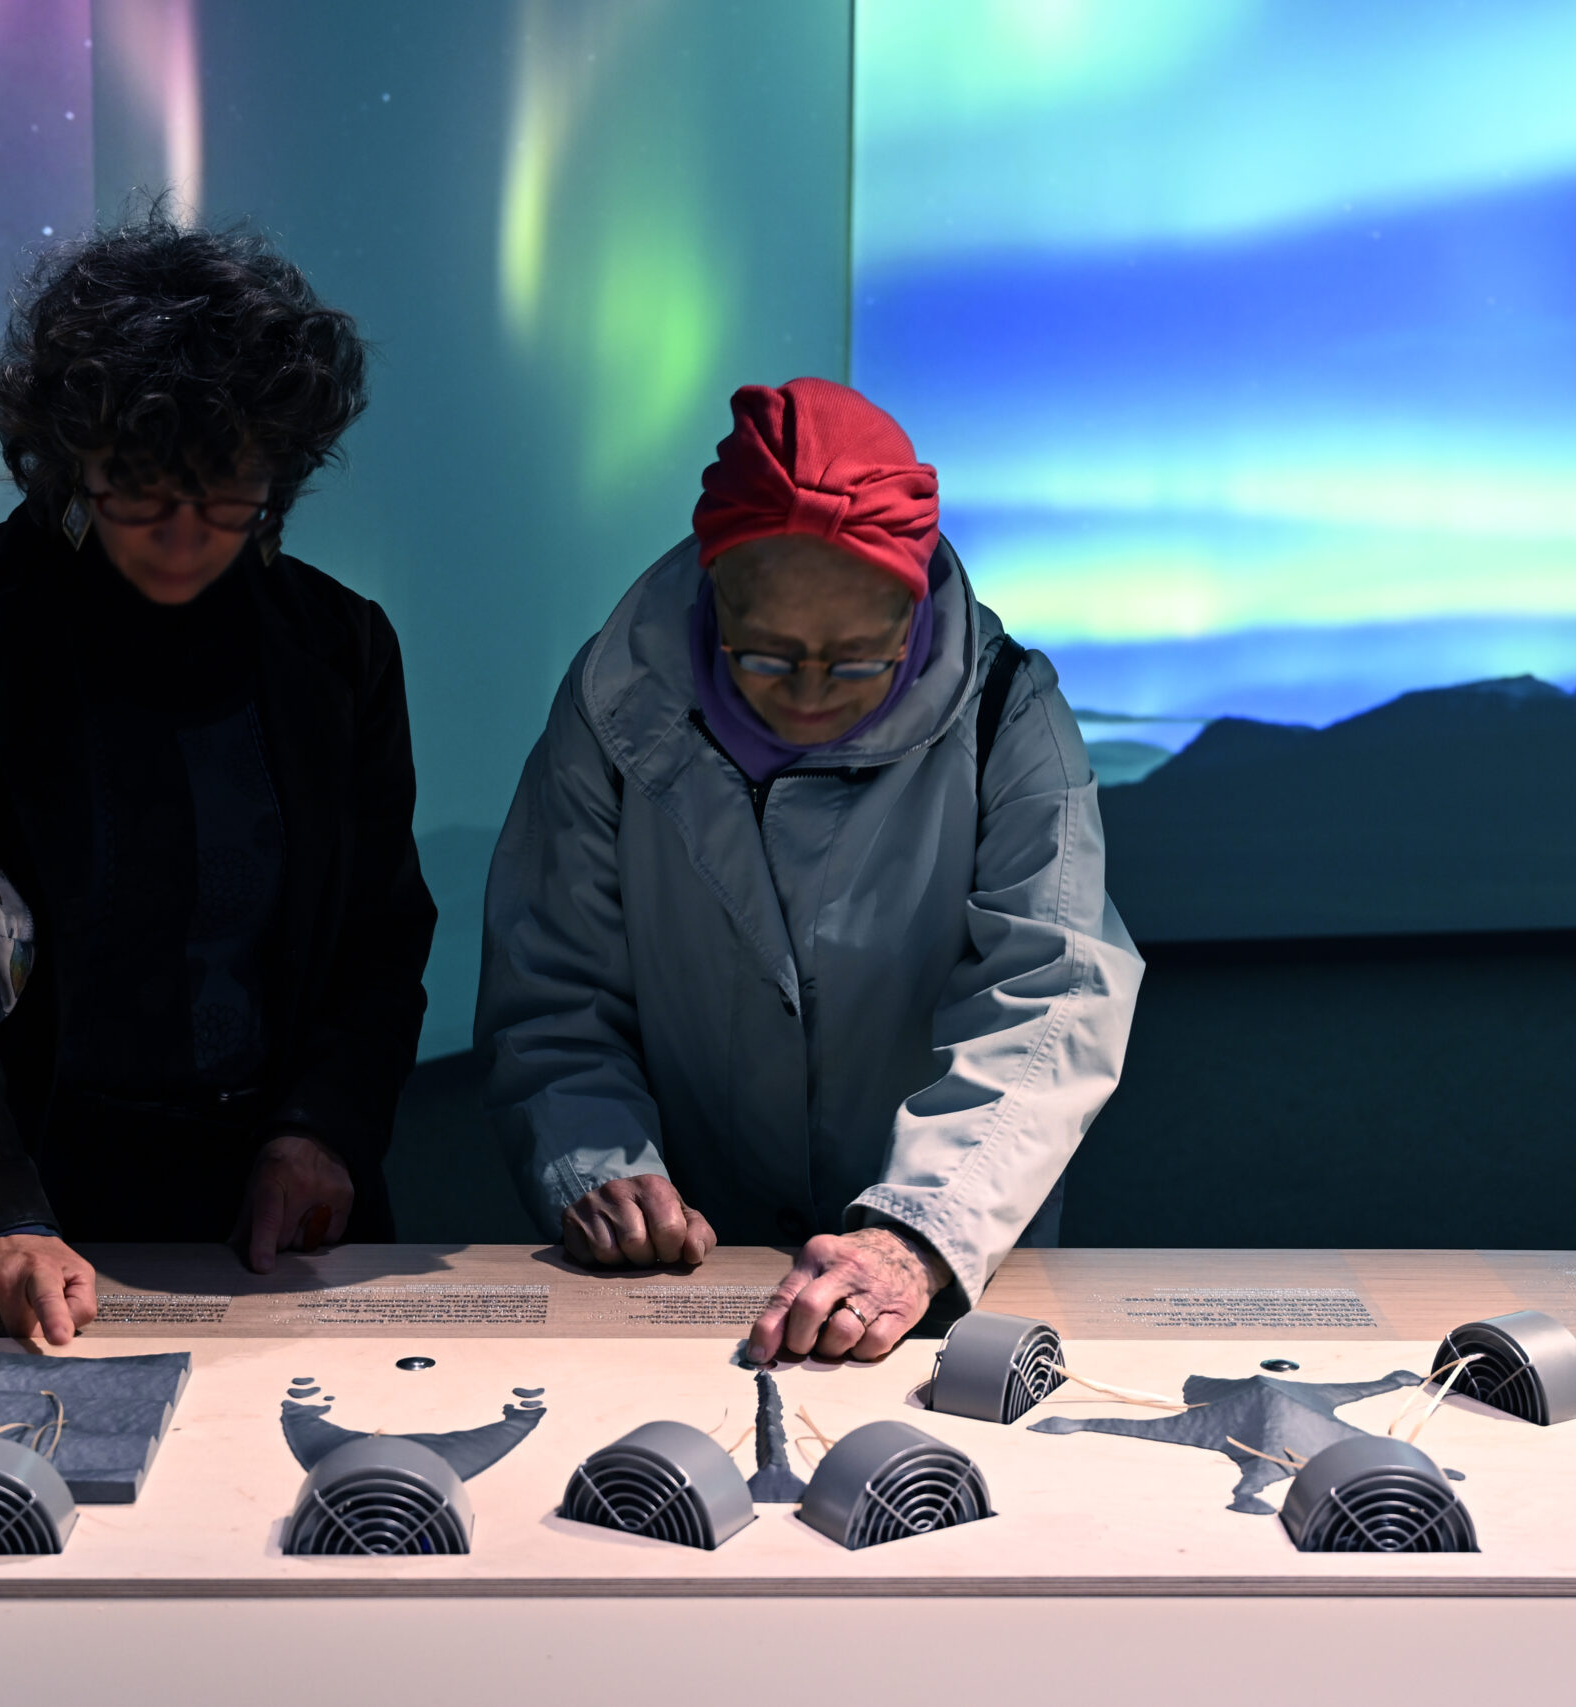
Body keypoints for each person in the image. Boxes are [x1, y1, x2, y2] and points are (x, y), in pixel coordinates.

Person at [0, 217, 435, 1344]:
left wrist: (321, 1132)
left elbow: (378, 940)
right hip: (22, 1218)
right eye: (140, 492)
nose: (184, 536)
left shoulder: (339, 646)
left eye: (228, 493)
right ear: (69, 457)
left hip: (280, 1230)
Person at [478, 377, 1140, 1363]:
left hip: (937, 1271)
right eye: (768, 656)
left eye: (860, 659)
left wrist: (919, 1232)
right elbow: (552, 983)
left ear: (912, 609)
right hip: (686, 1272)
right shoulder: (615, 708)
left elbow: (1054, 993)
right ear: (713, 592)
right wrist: (597, 1162)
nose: (812, 696)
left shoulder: (1008, 714)